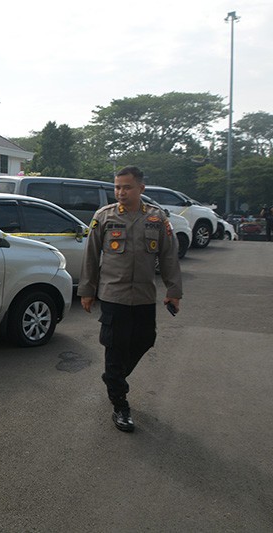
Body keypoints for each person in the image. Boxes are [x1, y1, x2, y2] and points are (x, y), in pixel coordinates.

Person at [78, 166, 183, 433]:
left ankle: (114, 378)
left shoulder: (157, 219)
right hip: (114, 296)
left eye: (127, 187)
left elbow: (169, 256)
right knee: (115, 346)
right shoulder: (104, 217)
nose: (121, 192)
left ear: (141, 189)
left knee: (145, 340)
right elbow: (91, 256)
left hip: (145, 296)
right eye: (117, 187)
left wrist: (174, 291)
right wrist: (87, 291)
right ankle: (120, 403)